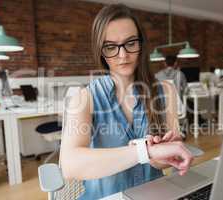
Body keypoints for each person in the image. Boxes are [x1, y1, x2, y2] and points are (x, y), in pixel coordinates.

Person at [60, 4, 193, 200]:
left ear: (141, 44)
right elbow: (70, 166)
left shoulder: (166, 91)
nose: (123, 55)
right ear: (101, 51)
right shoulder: (84, 97)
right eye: (111, 47)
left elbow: (163, 163)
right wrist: (144, 151)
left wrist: (162, 155)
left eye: (130, 43)